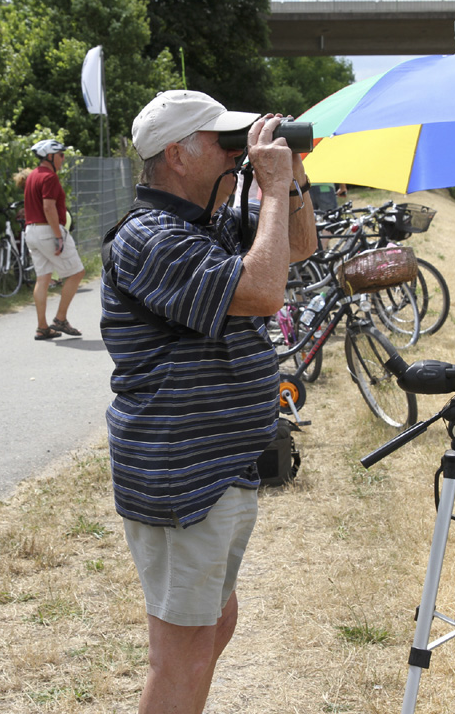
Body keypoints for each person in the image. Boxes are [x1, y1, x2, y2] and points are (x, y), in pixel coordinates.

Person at [101, 90, 317, 714]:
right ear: (176, 154)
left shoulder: (206, 225)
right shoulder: (151, 237)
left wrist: (292, 179)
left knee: (213, 627)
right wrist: (269, 189)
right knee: (183, 654)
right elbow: (263, 290)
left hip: (219, 469)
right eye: (222, 142)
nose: (234, 153)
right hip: (182, 478)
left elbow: (297, 249)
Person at [24, 139, 86, 340]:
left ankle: (42, 327)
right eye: (60, 155)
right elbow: (48, 207)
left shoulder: (32, 175)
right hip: (48, 231)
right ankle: (60, 319)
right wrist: (58, 236)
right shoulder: (49, 177)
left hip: (31, 231)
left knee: (43, 278)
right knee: (77, 272)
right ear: (50, 156)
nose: (63, 158)